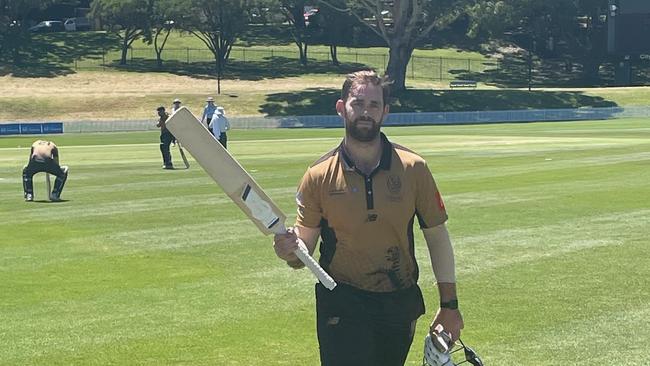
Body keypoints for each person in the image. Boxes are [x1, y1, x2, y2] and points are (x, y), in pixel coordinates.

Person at [272, 70, 463, 366]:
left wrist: (449, 305)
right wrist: (290, 251)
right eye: (357, 103)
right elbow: (303, 248)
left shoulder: (414, 169)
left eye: (374, 105)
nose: (365, 112)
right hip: (342, 300)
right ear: (341, 107)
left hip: (399, 300)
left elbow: (437, 237)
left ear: (385, 111)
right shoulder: (318, 176)